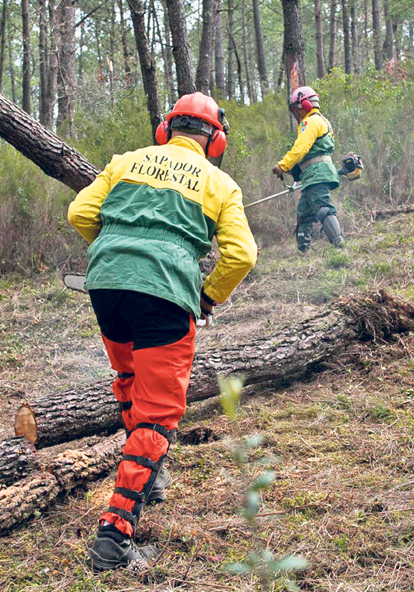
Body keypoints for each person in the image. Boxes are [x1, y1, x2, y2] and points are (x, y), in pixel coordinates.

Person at [67, 92, 257, 571]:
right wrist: (206, 297)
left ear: (165, 128)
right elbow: (241, 256)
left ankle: (150, 475)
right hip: (165, 297)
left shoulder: (125, 161)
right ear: (216, 139)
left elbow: (80, 215)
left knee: (131, 381)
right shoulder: (219, 183)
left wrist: (118, 251)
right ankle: (114, 537)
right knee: (157, 414)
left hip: (107, 287)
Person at [272, 86, 344, 252]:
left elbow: (301, 148)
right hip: (314, 174)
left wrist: (283, 165)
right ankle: (304, 250)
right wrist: (295, 169)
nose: (296, 113)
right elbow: (312, 151)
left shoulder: (310, 122)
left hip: (316, 174)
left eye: (296, 109)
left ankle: (339, 247)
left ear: (304, 105)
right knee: (304, 212)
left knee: (323, 207)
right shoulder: (323, 120)